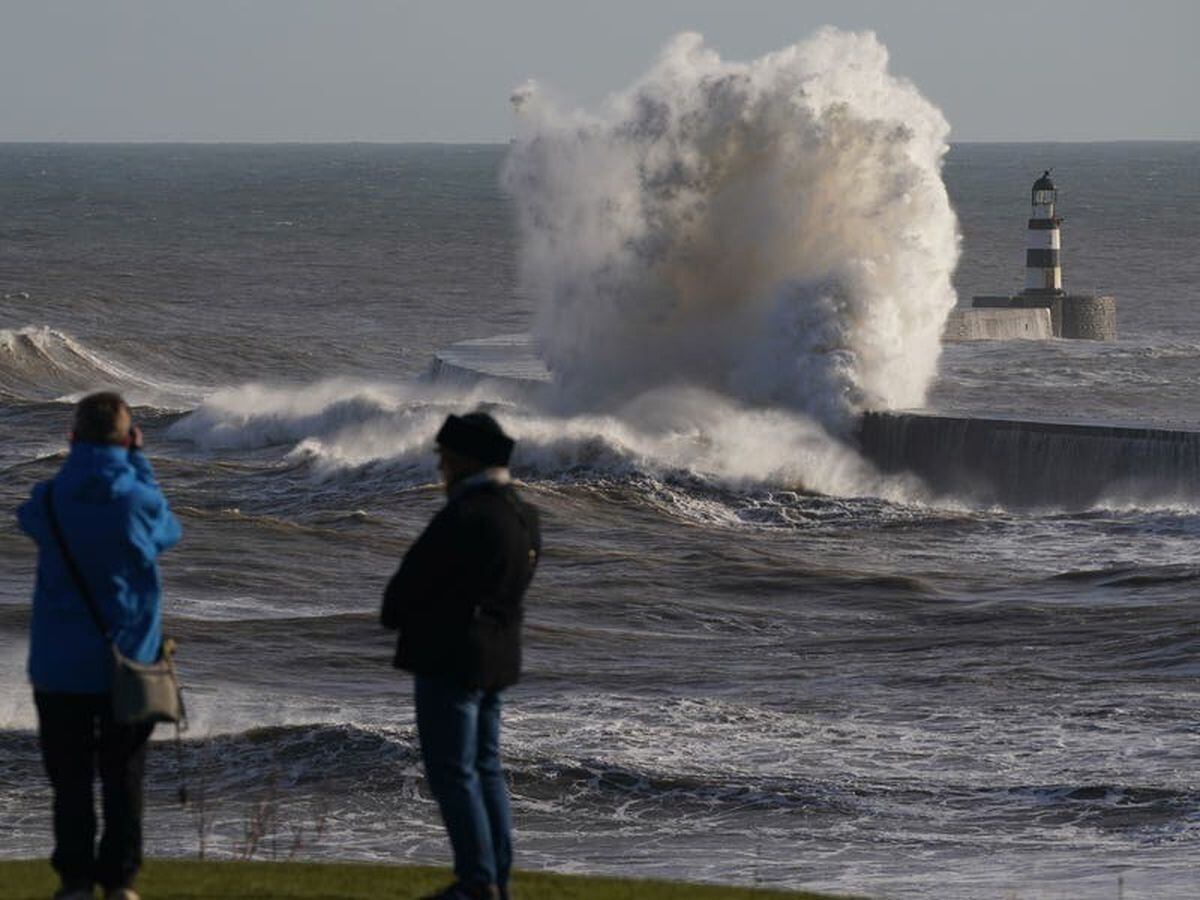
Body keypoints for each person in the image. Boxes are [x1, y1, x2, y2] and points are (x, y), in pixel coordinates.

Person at [16, 391, 182, 900]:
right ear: (130, 439)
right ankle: (120, 882)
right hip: (127, 664)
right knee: (122, 779)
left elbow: (26, 520)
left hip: (59, 666)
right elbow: (168, 531)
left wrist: (77, 465)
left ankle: (74, 880)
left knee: (69, 781)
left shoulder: (48, 499)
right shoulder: (139, 499)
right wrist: (141, 463)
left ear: (72, 439)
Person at [382, 411, 541, 900]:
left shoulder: (465, 514)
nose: (441, 468)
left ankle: (476, 881)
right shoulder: (522, 515)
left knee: (453, 771)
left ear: (464, 460)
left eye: (445, 458)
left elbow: (407, 589)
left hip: (450, 657)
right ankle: (496, 879)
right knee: (486, 768)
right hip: (498, 657)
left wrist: (403, 614)